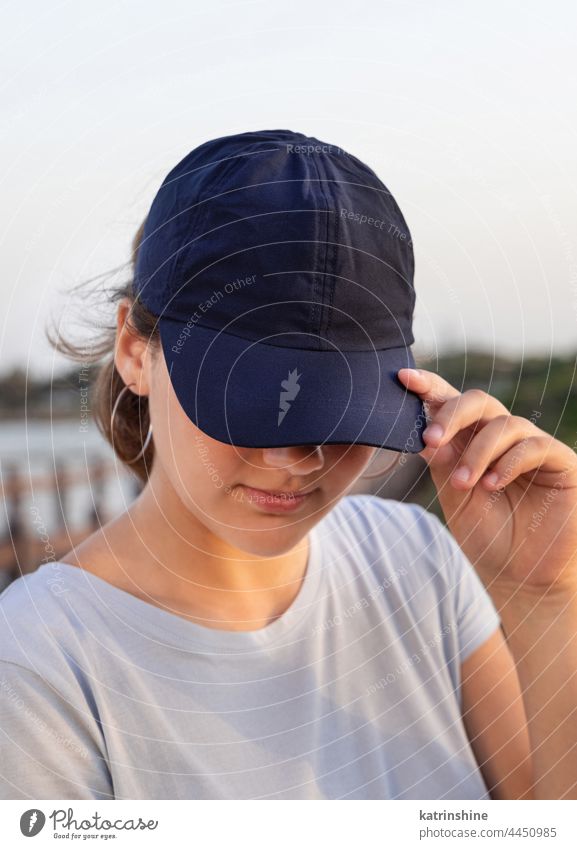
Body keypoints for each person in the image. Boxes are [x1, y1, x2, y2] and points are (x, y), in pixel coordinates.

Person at [1, 129, 576, 801]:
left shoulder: (416, 562)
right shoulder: (41, 660)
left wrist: (545, 598)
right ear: (135, 352)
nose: (296, 459)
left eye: (334, 409)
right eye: (246, 401)